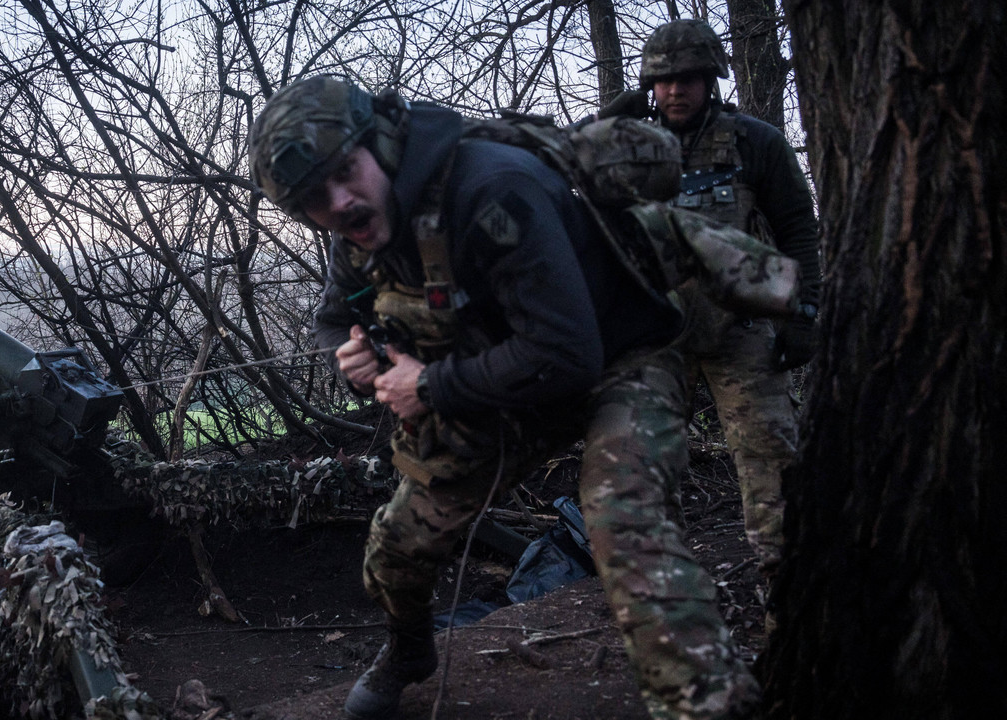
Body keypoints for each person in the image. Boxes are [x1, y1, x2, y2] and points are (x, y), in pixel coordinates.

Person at [248, 76, 759, 720]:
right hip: (501, 390)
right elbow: (333, 317)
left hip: (617, 363)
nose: (339, 201)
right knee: (396, 549)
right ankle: (409, 653)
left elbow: (569, 356)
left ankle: (709, 703)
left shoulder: (492, 188)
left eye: (345, 171)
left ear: (380, 142)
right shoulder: (358, 229)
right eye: (312, 199)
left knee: (624, 527)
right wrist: (355, 354)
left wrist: (428, 385)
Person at [637, 19, 821, 587]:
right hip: (656, 335)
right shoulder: (627, 147)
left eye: (688, 77)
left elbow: (797, 227)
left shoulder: (753, 141)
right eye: (663, 80)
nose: (675, 90)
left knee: (771, 466)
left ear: (710, 78)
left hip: (741, 328)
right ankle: (663, 603)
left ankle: (787, 599)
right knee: (641, 471)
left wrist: (803, 311)